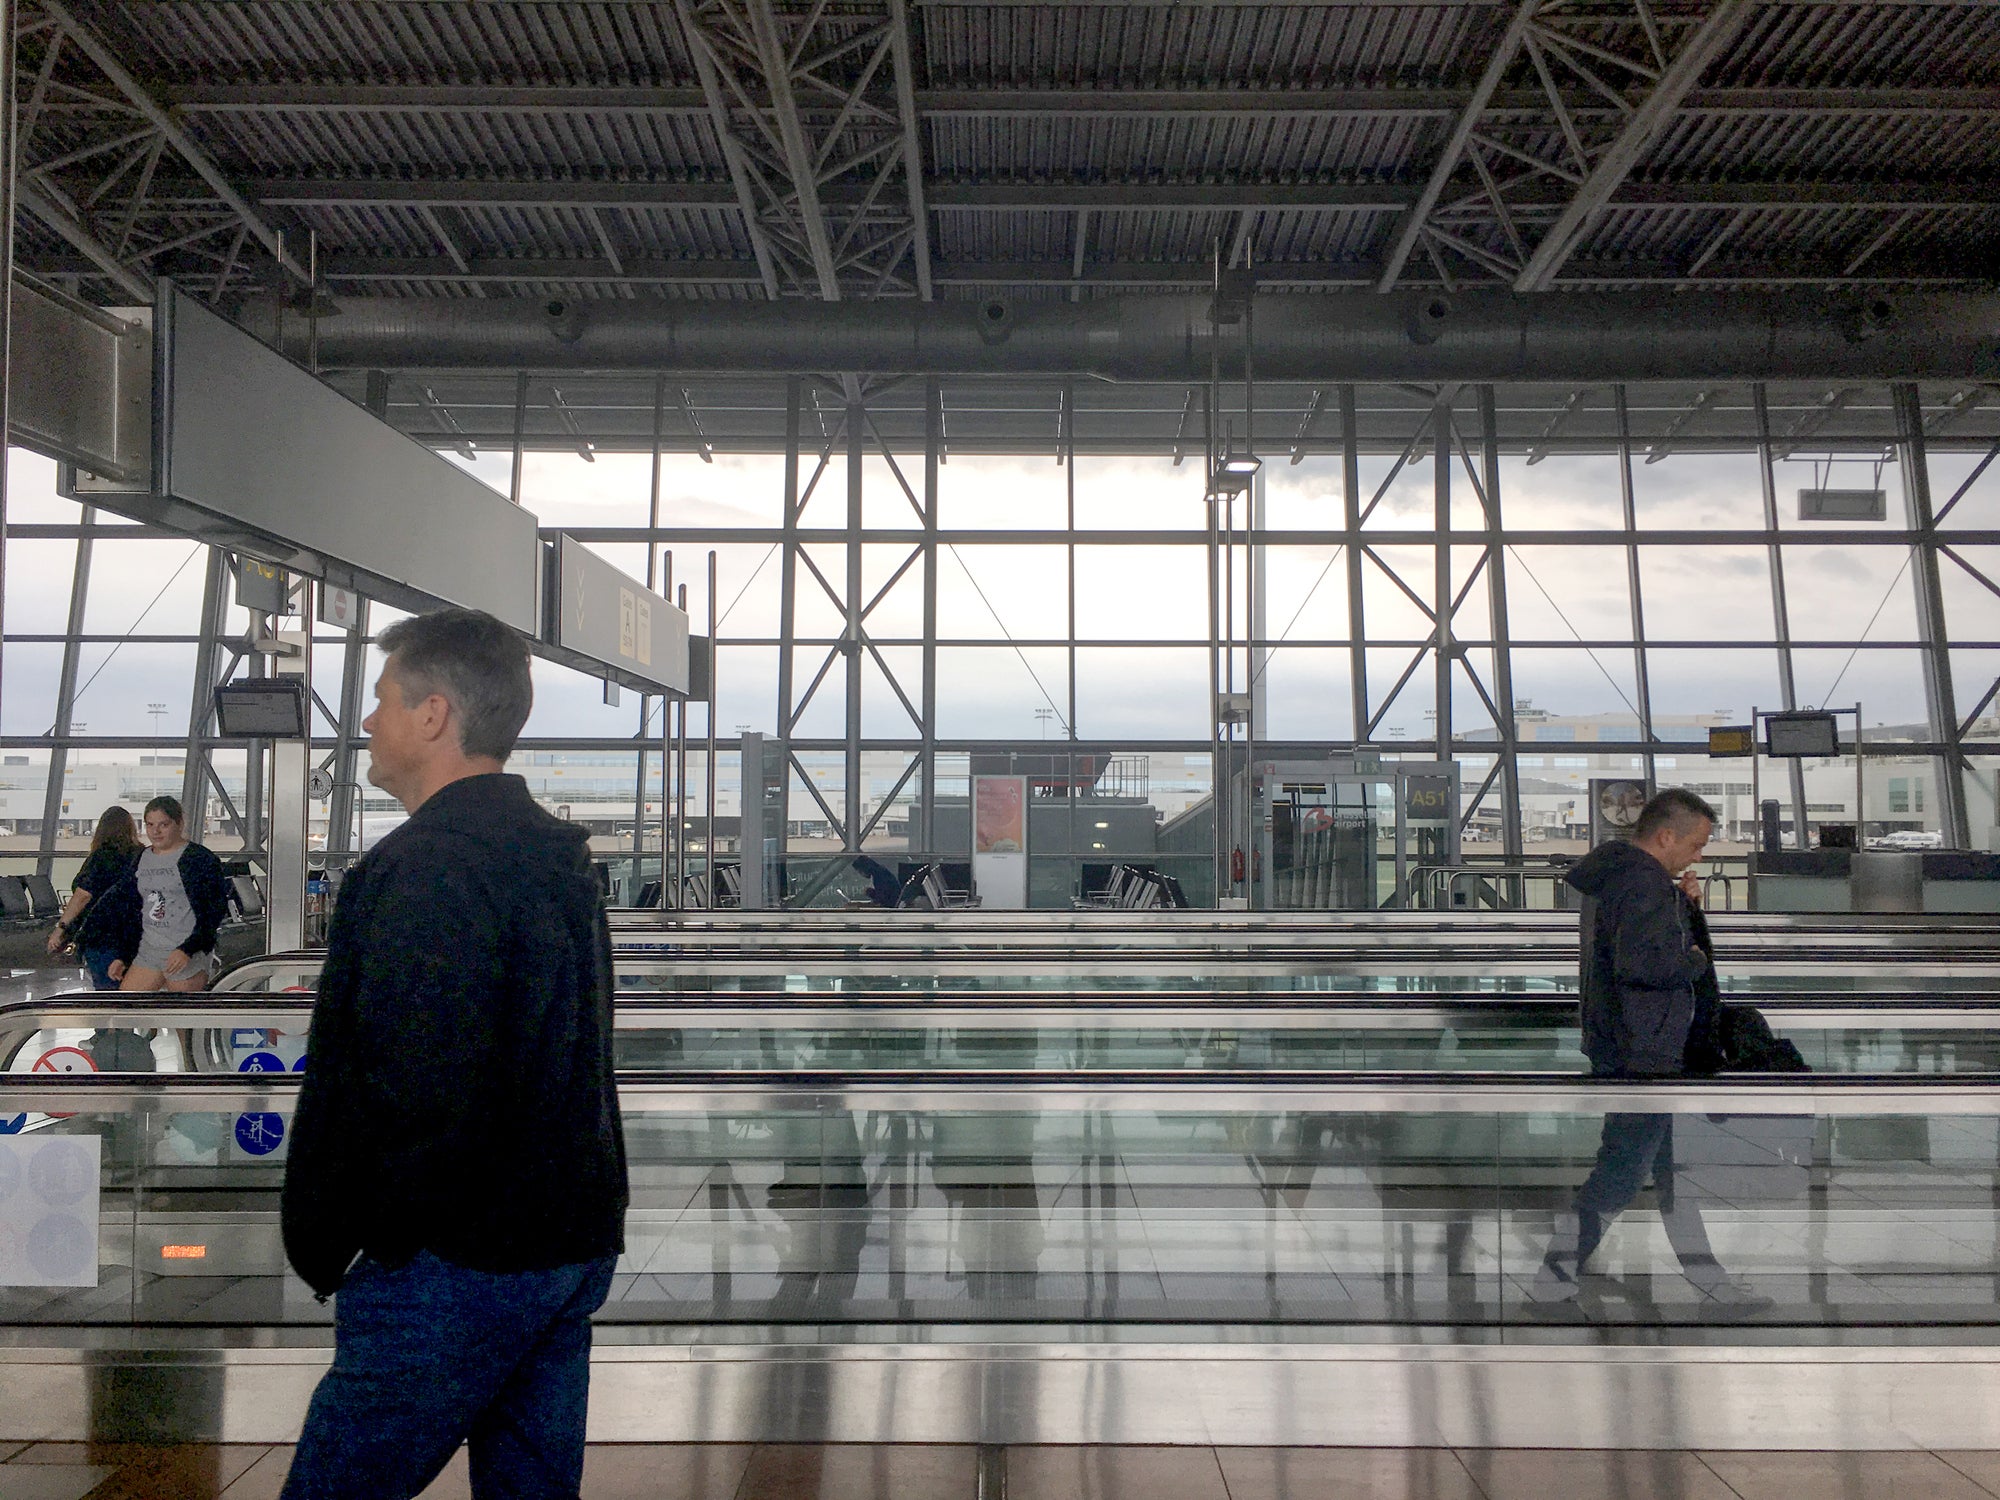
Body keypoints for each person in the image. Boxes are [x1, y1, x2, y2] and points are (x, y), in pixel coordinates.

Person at [280, 607, 627, 1500]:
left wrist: (365, 1241)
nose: (368, 723)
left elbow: (413, 1081)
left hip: (454, 1262)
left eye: (383, 700)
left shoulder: (424, 868)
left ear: (433, 714)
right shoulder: (556, 857)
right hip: (563, 1239)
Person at [1533, 788, 1762, 1308]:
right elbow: (1648, 967)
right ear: (1665, 836)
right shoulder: (1643, 887)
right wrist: (1696, 958)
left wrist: (1680, 908)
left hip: (1628, 1042)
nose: (1699, 855)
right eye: (1697, 844)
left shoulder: (1619, 879)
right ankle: (1554, 1273)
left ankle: (1711, 1281)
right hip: (1646, 1052)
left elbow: (1631, 950)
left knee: (1667, 1169)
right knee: (1624, 1168)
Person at [119, 796, 230, 994]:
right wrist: (124, 956)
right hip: (149, 950)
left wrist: (189, 949)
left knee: (183, 1021)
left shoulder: (199, 859)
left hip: (185, 952)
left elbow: (213, 911)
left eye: (164, 824)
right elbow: (131, 906)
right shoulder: (142, 858)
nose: (156, 831)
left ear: (179, 824)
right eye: (150, 825)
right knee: (123, 1012)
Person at [48, 805, 143, 991]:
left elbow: (83, 896)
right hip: (135, 934)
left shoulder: (102, 857)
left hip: (102, 934)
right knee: (131, 989)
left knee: (106, 988)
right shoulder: (142, 855)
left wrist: (60, 929)